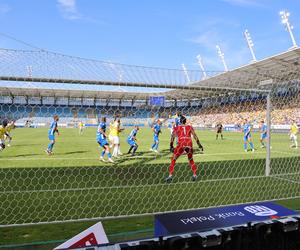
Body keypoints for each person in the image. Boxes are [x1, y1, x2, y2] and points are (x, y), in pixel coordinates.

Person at [166, 116, 203, 183]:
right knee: (191, 160)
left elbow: (172, 136)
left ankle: (170, 176)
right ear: (185, 121)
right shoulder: (189, 127)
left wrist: (171, 145)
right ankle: (194, 175)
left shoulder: (177, 127)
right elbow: (195, 135)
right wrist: (199, 144)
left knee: (173, 159)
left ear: (180, 121)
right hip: (189, 143)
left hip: (181, 143)